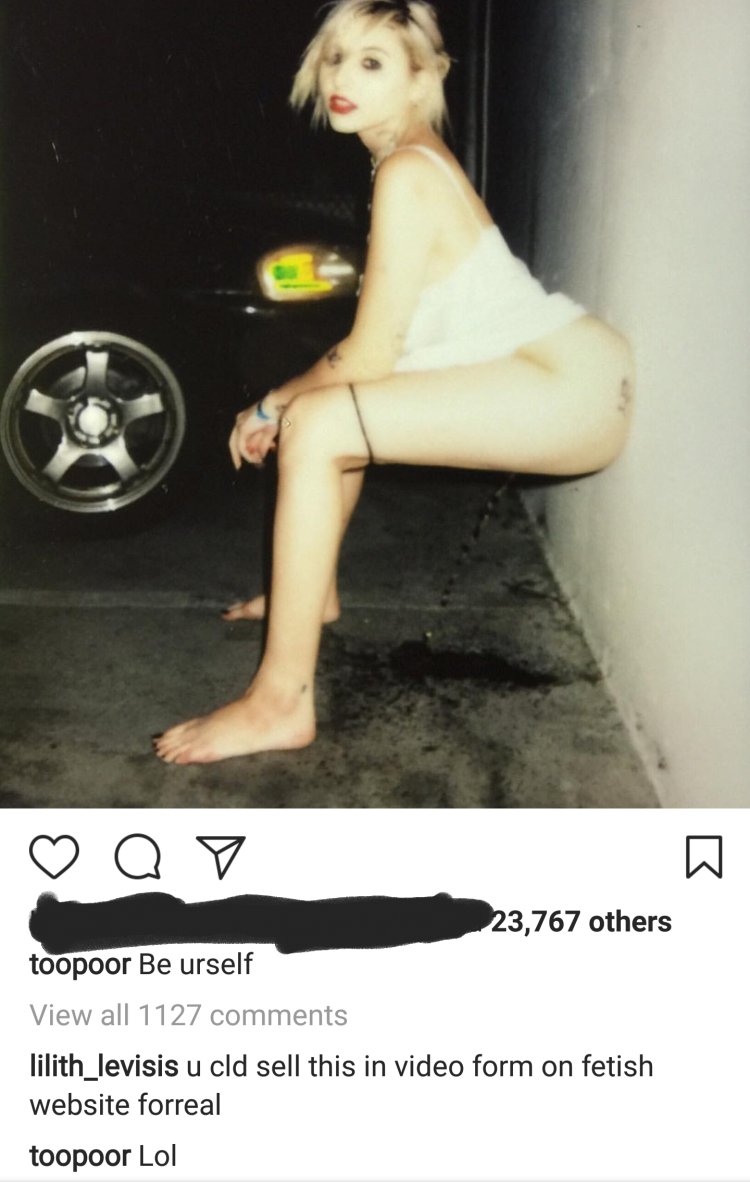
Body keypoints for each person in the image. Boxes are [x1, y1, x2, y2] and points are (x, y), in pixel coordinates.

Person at [154, 0, 633, 765]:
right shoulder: (407, 158)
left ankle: (279, 704)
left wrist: (270, 402)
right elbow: (382, 361)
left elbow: (368, 357)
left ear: (421, 79)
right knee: (334, 415)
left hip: (568, 388)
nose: (342, 78)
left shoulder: (407, 170)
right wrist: (297, 397)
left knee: (318, 421)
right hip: (575, 378)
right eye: (335, 57)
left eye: (371, 62)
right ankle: (312, 594)